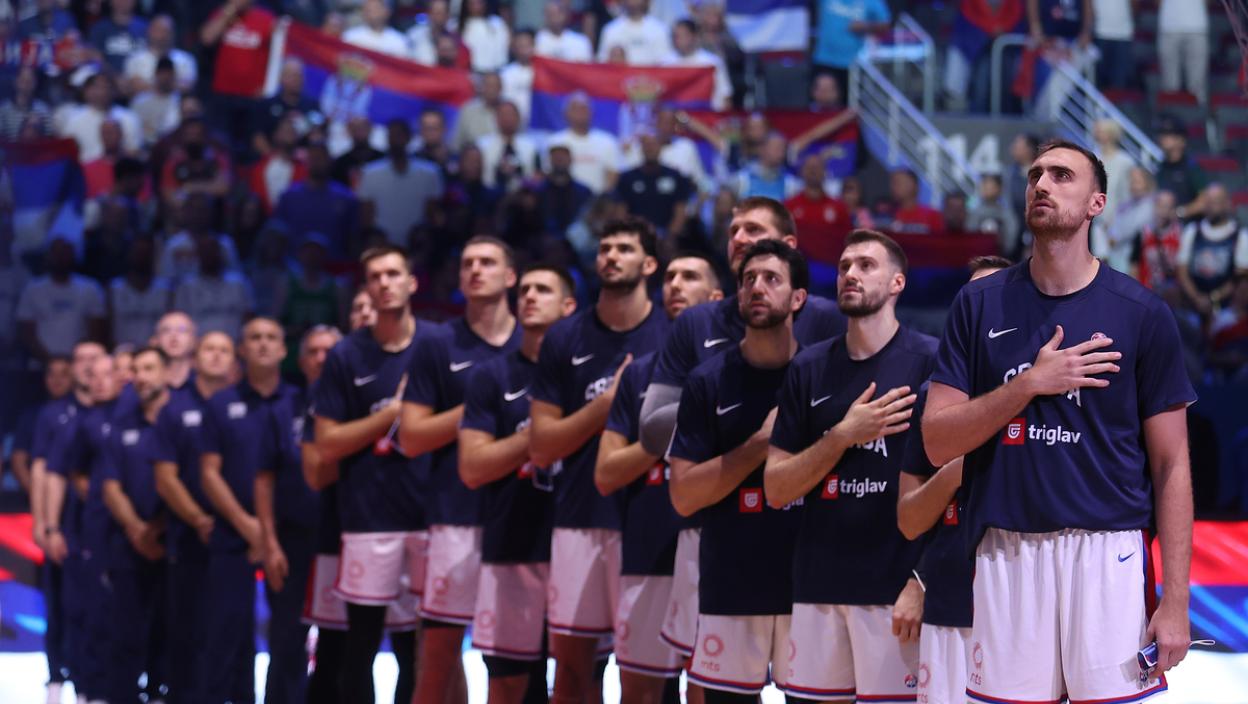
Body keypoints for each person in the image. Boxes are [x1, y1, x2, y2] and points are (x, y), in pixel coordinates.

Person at [923, 140, 1196, 702]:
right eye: (1035, 175)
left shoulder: (1142, 313)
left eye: (1061, 175)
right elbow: (936, 440)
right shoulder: (978, 304)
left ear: (1097, 203)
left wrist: (1175, 600)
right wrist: (1027, 384)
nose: (1042, 184)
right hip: (1007, 549)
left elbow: (1172, 464)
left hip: (1108, 553)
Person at [762, 230, 933, 701]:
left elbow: (953, 486)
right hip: (817, 586)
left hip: (895, 591)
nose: (850, 274)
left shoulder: (929, 360)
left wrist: (923, 580)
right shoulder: (808, 367)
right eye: (843, 267)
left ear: (897, 283)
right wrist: (842, 435)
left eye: (865, 265)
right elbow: (776, 488)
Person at [529, 217, 669, 703]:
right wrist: (606, 405)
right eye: (605, 248)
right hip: (579, 516)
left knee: (648, 681)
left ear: (648, 264)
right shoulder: (564, 337)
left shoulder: (671, 334)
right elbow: (541, 446)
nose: (610, 256)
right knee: (570, 673)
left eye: (624, 249)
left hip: (651, 519)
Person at [667, 239, 809, 698]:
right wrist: (760, 445)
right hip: (731, 581)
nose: (757, 288)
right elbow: (683, 495)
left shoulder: (823, 372)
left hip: (812, 586)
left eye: (771, 279)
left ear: (798, 297)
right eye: (748, 280)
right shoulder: (707, 380)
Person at [314, 245, 440, 703]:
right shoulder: (346, 354)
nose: (384, 283)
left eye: (393, 274)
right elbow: (328, 443)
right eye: (375, 276)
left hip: (431, 517)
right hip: (367, 519)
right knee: (360, 648)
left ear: (412, 282)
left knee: (418, 651)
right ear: (365, 287)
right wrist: (391, 414)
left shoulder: (439, 343)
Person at [596, 253, 723, 704]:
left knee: (706, 688)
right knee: (639, 692)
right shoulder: (639, 372)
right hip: (648, 541)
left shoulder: (736, 367)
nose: (675, 284)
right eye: (669, 276)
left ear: (716, 297)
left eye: (689, 276)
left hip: (711, 540)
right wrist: (677, 434)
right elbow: (605, 473)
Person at [399, 238, 522, 704]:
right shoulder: (437, 344)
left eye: (487, 262)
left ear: (510, 276)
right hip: (453, 513)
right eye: (467, 262)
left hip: (521, 513)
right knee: (438, 657)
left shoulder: (534, 342)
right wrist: (481, 408)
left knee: (511, 662)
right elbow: (411, 437)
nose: (475, 270)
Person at [895, 255, 1009, 704]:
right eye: (971, 297)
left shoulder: (1045, 386)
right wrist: (960, 468)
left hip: (1024, 602)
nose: (980, 305)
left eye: (993, 294)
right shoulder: (935, 396)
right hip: (949, 601)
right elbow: (909, 519)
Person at [460, 265, 577, 703]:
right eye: (524, 289)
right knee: (507, 685)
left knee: (578, 680)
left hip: (580, 542)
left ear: (568, 306)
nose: (529, 296)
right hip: (511, 544)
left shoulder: (587, 373)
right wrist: (543, 435)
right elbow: (472, 467)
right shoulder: (491, 374)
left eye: (543, 289)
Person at [200, 318, 298, 704]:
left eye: (271, 337)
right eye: (254, 338)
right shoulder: (221, 403)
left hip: (289, 536)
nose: (262, 344)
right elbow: (209, 473)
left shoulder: (299, 401)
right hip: (232, 533)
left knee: (289, 638)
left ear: (283, 349)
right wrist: (249, 526)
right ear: (241, 350)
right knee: (225, 635)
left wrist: (269, 533)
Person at [255, 326, 340, 704]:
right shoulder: (283, 407)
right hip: (292, 539)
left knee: (342, 641)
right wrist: (269, 542)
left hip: (343, 537)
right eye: (314, 352)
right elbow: (263, 479)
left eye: (329, 351)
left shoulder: (358, 403)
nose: (321, 359)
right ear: (302, 360)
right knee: (287, 638)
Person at [153, 331, 236, 704]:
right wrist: (200, 519)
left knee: (232, 630)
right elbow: (165, 477)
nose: (216, 356)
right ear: (195, 358)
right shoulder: (173, 408)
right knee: (186, 629)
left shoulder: (243, 404)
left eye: (224, 350)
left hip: (237, 535)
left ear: (234, 360)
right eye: (209, 349)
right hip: (187, 535)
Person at [30, 341, 106, 703]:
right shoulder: (55, 413)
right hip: (67, 523)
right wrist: (44, 523)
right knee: (63, 605)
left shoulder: (118, 409)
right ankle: (59, 679)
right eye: (82, 360)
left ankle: (99, 683)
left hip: (108, 526)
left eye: (96, 359)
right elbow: (42, 469)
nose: (88, 366)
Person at [45, 353, 122, 704]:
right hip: (91, 528)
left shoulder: (137, 416)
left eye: (109, 373)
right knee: (87, 612)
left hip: (136, 530)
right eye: (94, 374)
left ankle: (130, 689)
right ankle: (88, 689)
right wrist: (49, 526)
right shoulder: (79, 422)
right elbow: (60, 472)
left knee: (131, 614)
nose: (101, 380)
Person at [99, 346, 172, 703]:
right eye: (136, 370)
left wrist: (157, 528)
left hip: (176, 543)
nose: (141, 377)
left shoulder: (184, 419)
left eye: (149, 368)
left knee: (174, 631)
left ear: (166, 372)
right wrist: (138, 530)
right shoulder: (122, 425)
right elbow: (109, 486)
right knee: (125, 634)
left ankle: (163, 694)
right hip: (128, 544)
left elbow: (190, 481)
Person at [357, 118, 445, 248]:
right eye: (391, 135)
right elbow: (366, 215)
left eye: (399, 135)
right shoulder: (370, 172)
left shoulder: (429, 172)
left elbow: (432, 213)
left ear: (409, 138)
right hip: (381, 246)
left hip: (417, 247)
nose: (395, 140)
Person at [16, 238, 108, 361]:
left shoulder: (90, 288)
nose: (60, 258)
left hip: (80, 363)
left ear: (74, 256)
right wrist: (50, 361)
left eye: (65, 253)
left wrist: (79, 359)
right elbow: (26, 332)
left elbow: (97, 330)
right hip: (40, 362)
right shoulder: (32, 289)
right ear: (48, 257)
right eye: (56, 253)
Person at [1175, 183, 1248, 318]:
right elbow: (1182, 270)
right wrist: (1196, 298)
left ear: (1227, 203)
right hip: (1192, 305)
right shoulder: (1192, 231)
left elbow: (1240, 277)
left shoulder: (1240, 236)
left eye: (1217, 201)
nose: (1212, 206)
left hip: (1227, 309)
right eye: (1208, 201)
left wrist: (1213, 299)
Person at [614, 130, 695, 240]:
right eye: (647, 145)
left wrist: (670, 238)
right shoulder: (627, 178)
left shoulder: (676, 177)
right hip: (635, 236)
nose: (650, 148)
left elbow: (680, 211)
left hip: (666, 237)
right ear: (641, 148)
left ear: (661, 147)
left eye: (654, 144)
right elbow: (621, 212)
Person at [545, 93, 622, 195]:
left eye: (584, 108)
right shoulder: (555, 141)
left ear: (592, 112)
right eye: (575, 108)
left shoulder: (607, 141)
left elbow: (612, 175)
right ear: (566, 113)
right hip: (563, 199)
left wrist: (603, 200)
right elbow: (548, 174)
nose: (580, 112)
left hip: (597, 201)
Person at [812, 0, 891, 98]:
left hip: (853, 64)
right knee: (823, 97)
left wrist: (865, 26)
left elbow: (885, 24)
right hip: (825, 59)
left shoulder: (872, 2)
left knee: (849, 102)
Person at [1157, 0, 1208, 104]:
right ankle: (1170, 111)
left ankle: (1198, 111)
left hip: (1197, 26)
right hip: (1169, 26)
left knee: (1197, 85)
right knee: (1170, 84)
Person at [597, 0, 672, 64]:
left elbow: (666, 62)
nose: (634, 1)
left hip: (651, 76)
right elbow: (602, 62)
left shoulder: (659, 29)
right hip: (620, 76)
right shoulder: (611, 30)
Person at [1138, 191, 1183, 291]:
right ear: (1154, 207)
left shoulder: (1180, 233)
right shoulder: (1144, 233)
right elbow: (1135, 265)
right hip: (1147, 290)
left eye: (1168, 207)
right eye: (1160, 206)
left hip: (1171, 292)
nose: (1163, 211)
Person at [967, 174, 1020, 260]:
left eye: (991, 187)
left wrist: (1005, 248)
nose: (987, 190)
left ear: (999, 189)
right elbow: (969, 233)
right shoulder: (974, 213)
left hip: (1001, 258)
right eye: (984, 186)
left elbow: (1011, 238)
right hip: (979, 257)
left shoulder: (1006, 213)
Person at [343, 0, 411, 57]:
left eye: (376, 9)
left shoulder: (399, 41)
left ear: (387, 12)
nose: (372, 13)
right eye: (368, 10)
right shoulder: (350, 37)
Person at [889, 169, 944, 235]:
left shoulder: (933, 215)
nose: (893, 187)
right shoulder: (887, 214)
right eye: (893, 183)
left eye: (898, 183)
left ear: (914, 185)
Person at [154, 310, 197, 390]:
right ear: (156, 340)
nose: (173, 335)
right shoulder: (146, 384)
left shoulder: (204, 383)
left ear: (193, 339)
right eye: (166, 330)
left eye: (182, 329)